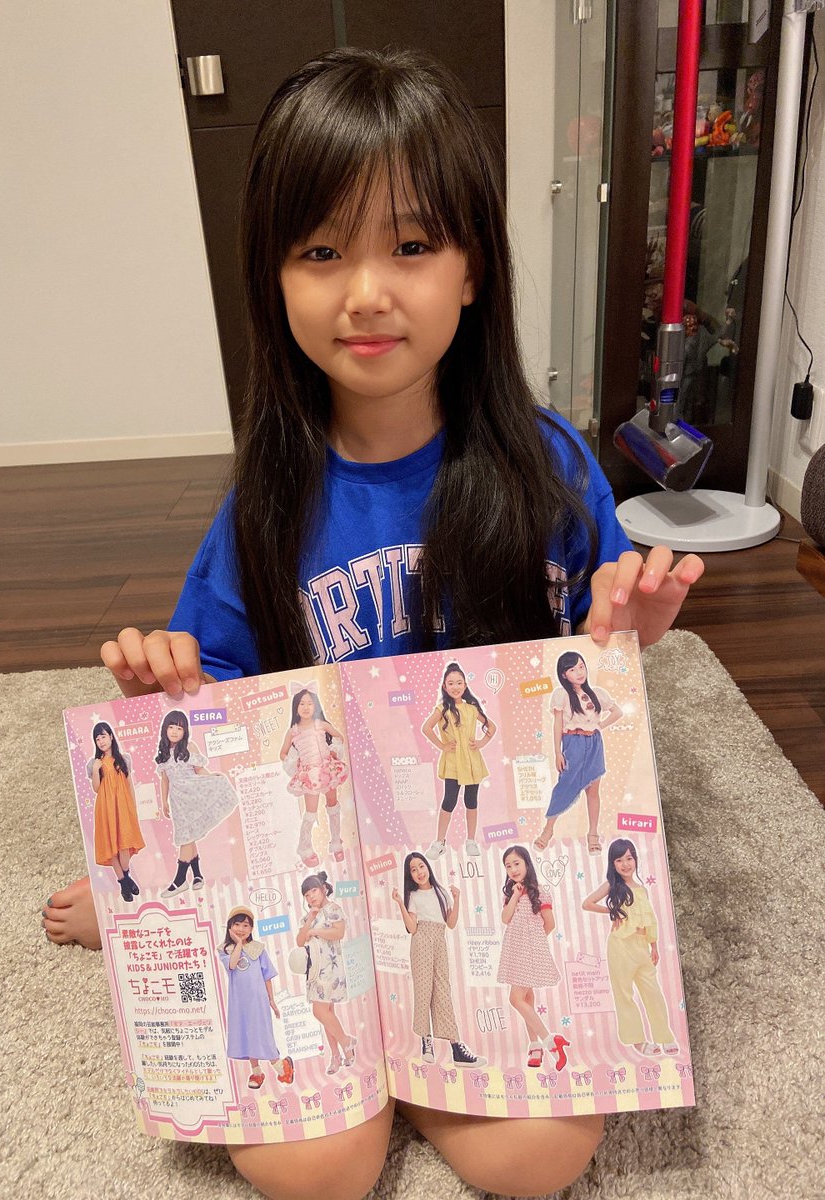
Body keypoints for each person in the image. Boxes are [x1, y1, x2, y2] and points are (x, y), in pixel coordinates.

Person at [43, 46, 705, 1199]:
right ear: (272, 279)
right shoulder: (266, 505)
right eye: (320, 251)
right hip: (328, 878)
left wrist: (623, 632)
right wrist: (171, 690)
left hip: (476, 868)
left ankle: (416, 1046)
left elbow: (586, 675)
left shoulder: (548, 468)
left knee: (536, 1158)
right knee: (316, 1172)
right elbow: (221, 708)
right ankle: (204, 938)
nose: (365, 292)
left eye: (409, 246)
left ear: (472, 269)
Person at [582, 838, 679, 1058]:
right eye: (619, 860)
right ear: (612, 864)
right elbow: (587, 903)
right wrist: (613, 912)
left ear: (635, 859)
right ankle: (637, 1040)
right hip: (620, 946)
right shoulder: (613, 885)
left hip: (641, 947)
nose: (625, 864)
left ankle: (664, 1036)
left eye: (629, 858)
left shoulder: (642, 889)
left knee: (653, 993)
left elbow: (650, 919)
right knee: (624, 994)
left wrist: (654, 946)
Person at [392, 852, 485, 1069]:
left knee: (443, 990)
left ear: (428, 867)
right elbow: (412, 928)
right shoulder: (413, 896)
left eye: (421, 866)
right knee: (424, 990)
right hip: (421, 940)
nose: (419, 872)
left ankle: (456, 1047)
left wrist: (457, 899)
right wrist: (400, 904)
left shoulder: (441, 892)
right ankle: (426, 1039)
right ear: (409, 875)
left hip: (439, 940)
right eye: (413, 870)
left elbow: (450, 923)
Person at [535, 651, 623, 855]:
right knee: (564, 786)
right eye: (573, 669)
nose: (579, 672)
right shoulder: (562, 695)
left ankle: (593, 834)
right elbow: (557, 725)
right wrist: (557, 752)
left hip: (594, 744)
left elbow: (618, 712)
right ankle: (548, 830)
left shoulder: (598, 693)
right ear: (564, 675)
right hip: (572, 743)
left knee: (593, 790)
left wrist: (599, 726)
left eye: (581, 666)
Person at [497, 845, 569, 1071]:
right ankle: (535, 1046)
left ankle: (551, 1042)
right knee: (526, 998)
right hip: (515, 950)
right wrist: (515, 895)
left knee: (515, 999)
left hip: (529, 950)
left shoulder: (540, 891)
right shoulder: (510, 893)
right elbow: (505, 918)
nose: (513, 869)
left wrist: (534, 943)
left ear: (527, 863)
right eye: (508, 866)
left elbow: (550, 923)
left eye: (516, 863)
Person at [155, 709, 239, 894]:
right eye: (171, 727)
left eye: (179, 728)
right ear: (165, 729)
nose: (175, 731)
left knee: (186, 837)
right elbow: (165, 780)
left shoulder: (189, 747)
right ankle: (198, 875)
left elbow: (199, 770)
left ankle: (180, 881)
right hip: (178, 800)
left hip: (194, 793)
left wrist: (212, 778)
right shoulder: (163, 754)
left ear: (185, 731)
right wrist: (164, 802)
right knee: (188, 835)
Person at [421, 661, 496, 859]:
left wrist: (481, 743)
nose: (455, 687)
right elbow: (426, 728)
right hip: (453, 761)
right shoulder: (442, 709)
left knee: (471, 800)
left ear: (465, 685)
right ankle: (439, 842)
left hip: (472, 761)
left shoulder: (471, 708)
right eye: (451, 683)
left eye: (459, 683)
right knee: (449, 800)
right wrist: (442, 745)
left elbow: (492, 727)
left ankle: (471, 840)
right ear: (444, 686)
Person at [218, 906, 295, 1091]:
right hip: (238, 1002)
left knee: (261, 1034)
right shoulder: (225, 949)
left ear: (251, 928)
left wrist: (271, 1000)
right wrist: (238, 943)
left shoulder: (258, 949)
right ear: (230, 927)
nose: (241, 929)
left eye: (246, 925)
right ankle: (257, 1072)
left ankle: (282, 1067)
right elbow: (232, 965)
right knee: (247, 1035)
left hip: (258, 1001)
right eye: (237, 924)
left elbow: (267, 976)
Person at [280, 686, 349, 866]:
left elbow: (339, 737)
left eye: (310, 703)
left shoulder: (321, 724)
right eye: (302, 703)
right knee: (310, 812)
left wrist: (334, 750)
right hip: (309, 775)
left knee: (332, 805)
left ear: (316, 706)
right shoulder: (293, 731)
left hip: (327, 769)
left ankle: (336, 842)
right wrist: (294, 762)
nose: (306, 707)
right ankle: (304, 847)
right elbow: (283, 753)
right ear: (296, 707)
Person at [296, 872, 356, 1075]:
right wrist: (310, 920)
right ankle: (338, 1055)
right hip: (315, 970)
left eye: (313, 891)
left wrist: (315, 931)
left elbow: (339, 933)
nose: (311, 896)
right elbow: (300, 941)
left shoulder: (334, 909)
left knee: (319, 1012)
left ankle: (346, 1042)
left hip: (330, 969)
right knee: (327, 1014)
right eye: (307, 895)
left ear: (323, 889)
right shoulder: (309, 916)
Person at [87, 722, 145, 902]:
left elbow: (129, 784)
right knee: (111, 848)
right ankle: (125, 884)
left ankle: (125, 880)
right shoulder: (95, 763)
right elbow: (96, 789)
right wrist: (96, 769)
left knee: (124, 846)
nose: (101, 741)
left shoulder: (124, 759)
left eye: (103, 736)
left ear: (111, 736)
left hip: (123, 807)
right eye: (97, 739)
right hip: (105, 808)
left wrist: (133, 807)